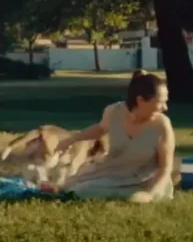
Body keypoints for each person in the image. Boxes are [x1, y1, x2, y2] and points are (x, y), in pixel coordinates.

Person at [54, 70, 176, 203]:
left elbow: (165, 167)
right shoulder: (114, 112)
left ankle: (130, 196)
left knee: (83, 191)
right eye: (160, 102)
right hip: (115, 171)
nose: (165, 108)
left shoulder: (162, 125)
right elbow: (100, 128)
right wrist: (71, 139)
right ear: (140, 100)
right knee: (69, 186)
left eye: (166, 102)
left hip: (146, 180)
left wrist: (151, 194)